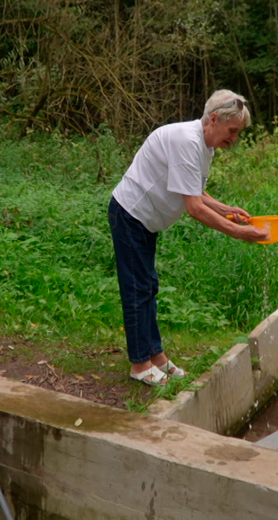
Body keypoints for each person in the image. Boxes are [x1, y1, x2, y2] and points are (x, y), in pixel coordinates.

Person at [109, 89, 269, 386]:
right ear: (213, 119)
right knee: (137, 289)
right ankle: (139, 364)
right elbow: (194, 208)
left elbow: (195, 190)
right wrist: (239, 232)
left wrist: (225, 209)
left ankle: (156, 356)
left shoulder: (204, 146)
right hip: (130, 214)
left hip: (146, 221)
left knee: (149, 286)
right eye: (232, 131)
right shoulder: (187, 141)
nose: (234, 139)